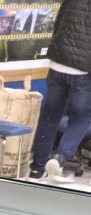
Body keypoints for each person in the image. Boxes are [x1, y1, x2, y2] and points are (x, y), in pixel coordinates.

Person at [28, 0, 91, 183]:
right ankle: (59, 158)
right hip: (83, 70)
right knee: (82, 118)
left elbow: (58, 21)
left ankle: (37, 169)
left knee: (49, 116)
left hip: (57, 64)